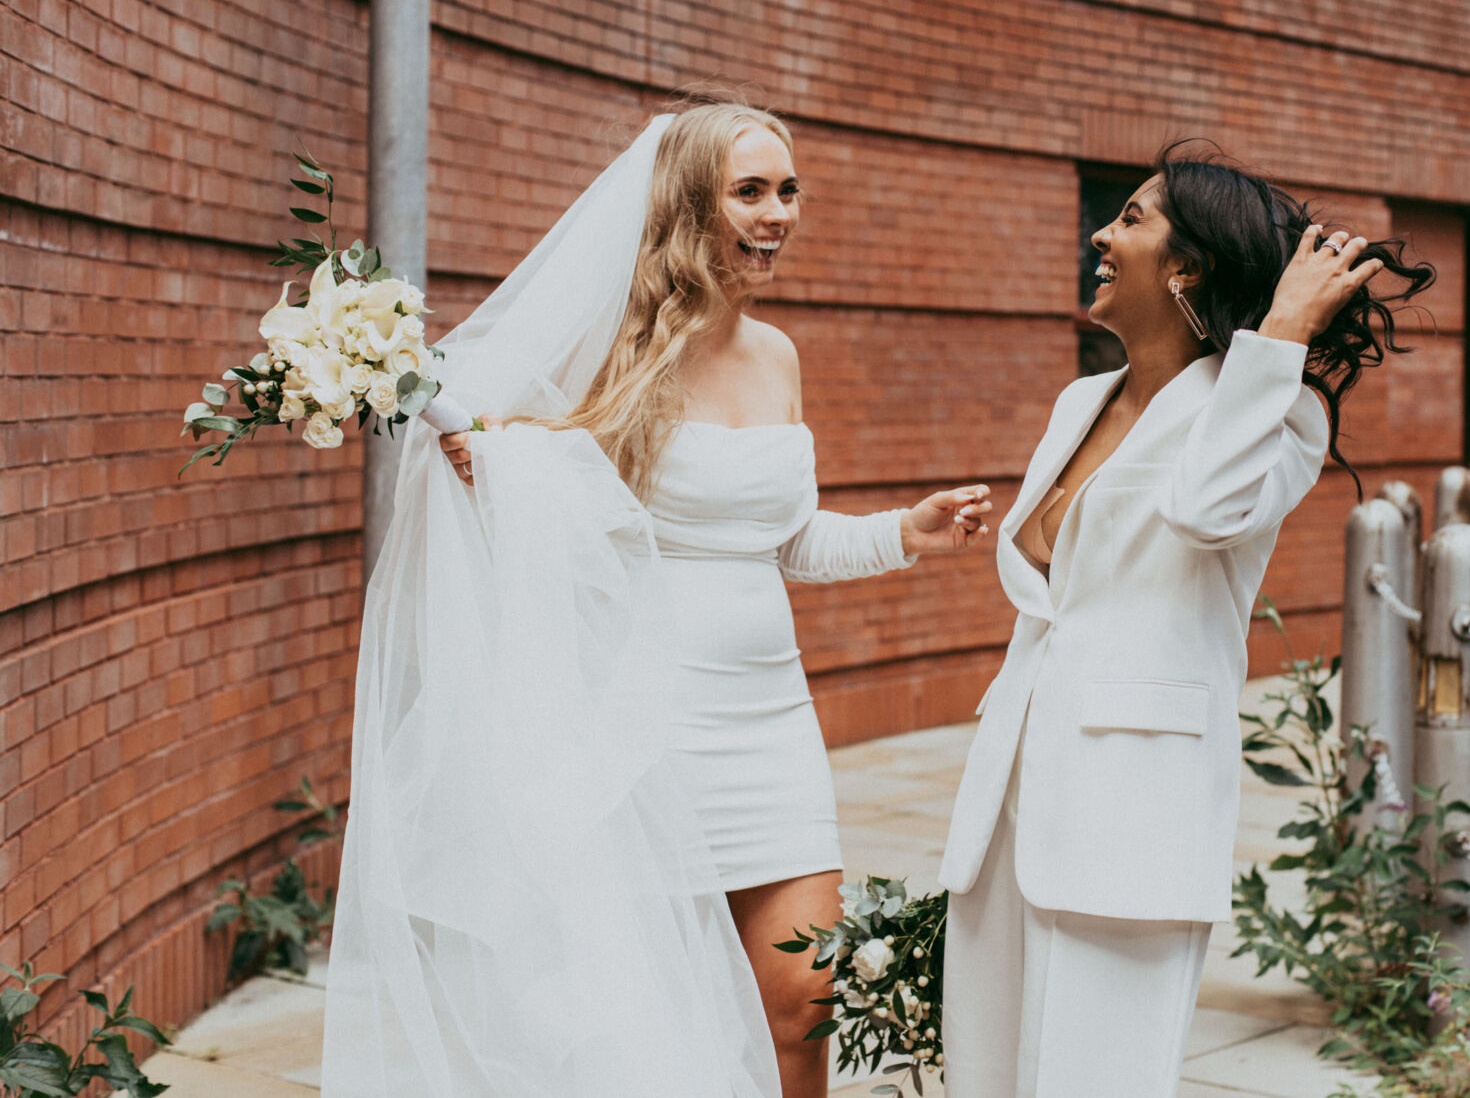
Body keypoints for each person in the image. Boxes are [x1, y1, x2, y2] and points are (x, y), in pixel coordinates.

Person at [323, 99, 991, 1098]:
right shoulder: (611, 354)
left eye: (789, 191)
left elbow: (781, 541)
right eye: (751, 191)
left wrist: (907, 532)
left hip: (773, 729)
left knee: (803, 1001)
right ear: (691, 204)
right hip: (649, 730)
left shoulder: (779, 356)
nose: (779, 214)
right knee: (649, 1020)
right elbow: (525, 496)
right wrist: (490, 461)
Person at [936, 144, 1433, 1097]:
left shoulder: (1277, 414)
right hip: (1010, 798)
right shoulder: (1081, 400)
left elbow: (1204, 511)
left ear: (1187, 265)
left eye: (1128, 218)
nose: (1100, 233)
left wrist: (1282, 332)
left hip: (1132, 808)